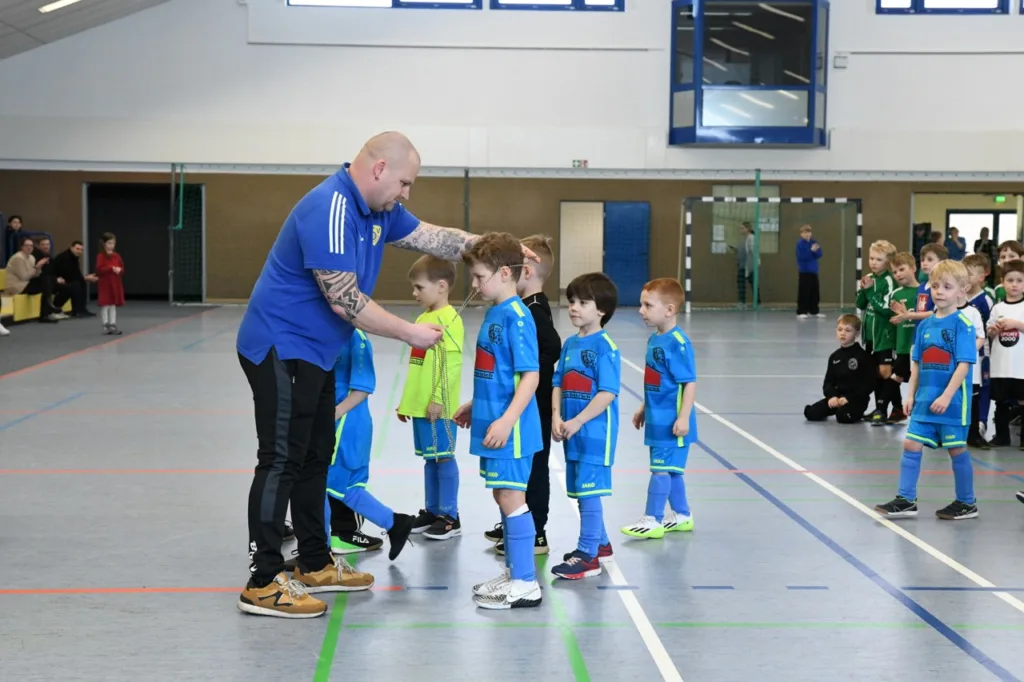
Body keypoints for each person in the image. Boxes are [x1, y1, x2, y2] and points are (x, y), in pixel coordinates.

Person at [234, 132, 538, 619]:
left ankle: (313, 561)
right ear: (378, 170)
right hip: (279, 346)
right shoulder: (330, 207)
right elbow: (344, 299)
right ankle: (264, 580)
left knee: (316, 456)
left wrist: (494, 247)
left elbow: (431, 237)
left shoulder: (379, 210)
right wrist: (407, 333)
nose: (407, 193)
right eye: (404, 182)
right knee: (280, 459)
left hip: (316, 352)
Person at [453, 232, 544, 610]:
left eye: (479, 277)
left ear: (505, 273)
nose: (474, 285)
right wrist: (478, 404)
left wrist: (506, 420)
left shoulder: (518, 318)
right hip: (492, 419)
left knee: (511, 496)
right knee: (501, 495)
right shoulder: (495, 313)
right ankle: (514, 571)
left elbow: (530, 376)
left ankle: (526, 583)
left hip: (513, 430)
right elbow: (499, 372)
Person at [875, 260, 978, 521]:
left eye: (947, 286)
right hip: (924, 399)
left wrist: (946, 395)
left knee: (956, 448)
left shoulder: (962, 324)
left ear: (961, 291)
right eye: (935, 286)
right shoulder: (924, 326)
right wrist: (910, 394)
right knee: (911, 443)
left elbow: (964, 365)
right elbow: (917, 363)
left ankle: (967, 503)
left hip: (952, 401)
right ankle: (906, 499)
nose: (939, 291)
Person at [315, 330, 414, 573]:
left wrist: (333, 415)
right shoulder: (337, 334)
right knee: (349, 490)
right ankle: (395, 522)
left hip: (346, 425)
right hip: (352, 425)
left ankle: (320, 554)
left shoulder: (355, 338)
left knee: (322, 486)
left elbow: (362, 388)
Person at [488, 234, 561, 557]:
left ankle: (536, 533)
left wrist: (529, 379)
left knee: (535, 466)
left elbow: (552, 347)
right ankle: (519, 520)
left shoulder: (533, 310)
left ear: (526, 272)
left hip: (537, 403)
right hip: (530, 399)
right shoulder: (524, 308)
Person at [550, 272, 620, 579]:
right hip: (571, 432)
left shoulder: (606, 347)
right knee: (579, 490)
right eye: (571, 302)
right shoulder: (569, 345)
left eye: (583, 302)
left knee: (589, 492)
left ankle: (588, 554)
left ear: (601, 309)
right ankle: (601, 543)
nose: (574, 307)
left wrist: (578, 420)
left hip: (594, 433)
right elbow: (557, 383)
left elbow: (607, 392)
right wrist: (556, 416)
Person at [622, 278, 696, 539]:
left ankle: (652, 518)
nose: (641, 310)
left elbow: (688, 383)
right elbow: (656, 378)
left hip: (672, 421)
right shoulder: (655, 339)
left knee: (660, 468)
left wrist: (684, 416)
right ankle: (682, 514)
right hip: (656, 416)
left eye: (647, 305)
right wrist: (644, 406)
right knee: (672, 470)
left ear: (669, 310)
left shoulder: (678, 342)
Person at [399, 255, 465, 541]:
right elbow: (417, 366)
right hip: (421, 407)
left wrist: (438, 398)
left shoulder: (449, 319)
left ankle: (450, 516)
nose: (414, 293)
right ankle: (432, 510)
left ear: (441, 286)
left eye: (419, 287)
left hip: (440, 407)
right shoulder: (423, 318)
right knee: (430, 459)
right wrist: (407, 401)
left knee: (444, 458)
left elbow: (450, 365)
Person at [803, 314, 877, 424]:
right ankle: (835, 407)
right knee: (810, 413)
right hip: (837, 398)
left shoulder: (863, 356)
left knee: (843, 416)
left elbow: (869, 384)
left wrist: (849, 398)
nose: (843, 333)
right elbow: (828, 382)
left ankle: (850, 411)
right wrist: (832, 396)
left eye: (848, 330)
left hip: (856, 400)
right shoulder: (834, 357)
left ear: (856, 334)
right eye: (840, 329)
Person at [856, 240, 897, 424]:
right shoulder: (869, 277)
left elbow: (887, 309)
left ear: (888, 262)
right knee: (874, 373)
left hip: (885, 335)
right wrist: (863, 290)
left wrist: (871, 291)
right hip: (870, 337)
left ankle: (883, 409)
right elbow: (860, 305)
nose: (873, 262)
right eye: (871, 258)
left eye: (878, 259)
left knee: (885, 371)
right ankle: (882, 407)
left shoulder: (889, 281)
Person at [987, 260, 1024, 448]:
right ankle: (1001, 436)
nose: (1015, 284)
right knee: (1000, 401)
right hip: (1001, 365)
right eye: (1010, 280)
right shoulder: (997, 308)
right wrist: (993, 330)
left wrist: (1017, 325)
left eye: (1019, 280)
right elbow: (989, 332)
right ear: (1003, 282)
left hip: (1020, 366)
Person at [3, 235, 58, 323]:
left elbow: (36, 274)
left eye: (31, 246)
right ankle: (47, 310)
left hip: (26, 283)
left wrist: (39, 267)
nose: (29, 248)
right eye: (26, 246)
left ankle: (46, 312)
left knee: (47, 280)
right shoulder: (18, 258)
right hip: (17, 286)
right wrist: (37, 266)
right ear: (21, 247)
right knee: (45, 281)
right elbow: (24, 277)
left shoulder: (31, 257)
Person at [51, 240, 97, 318]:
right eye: (77, 249)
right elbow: (69, 275)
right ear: (71, 248)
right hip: (54, 281)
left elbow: (76, 274)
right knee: (75, 285)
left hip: (64, 281)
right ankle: (73, 309)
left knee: (81, 282)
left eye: (81, 250)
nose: (79, 251)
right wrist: (86, 278)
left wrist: (84, 278)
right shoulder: (64, 257)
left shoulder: (74, 258)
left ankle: (81, 309)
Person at [95, 232, 125, 335]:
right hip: (105, 283)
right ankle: (105, 324)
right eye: (109, 243)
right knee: (105, 304)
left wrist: (119, 270)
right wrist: (111, 268)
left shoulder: (116, 256)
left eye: (113, 243)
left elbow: (122, 269)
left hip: (115, 282)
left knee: (113, 304)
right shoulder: (101, 256)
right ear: (104, 244)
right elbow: (99, 270)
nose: (111, 245)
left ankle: (113, 323)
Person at [795, 224, 823, 318]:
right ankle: (801, 311)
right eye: (805, 232)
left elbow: (819, 254)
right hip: (804, 271)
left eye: (809, 232)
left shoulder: (814, 242)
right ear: (801, 234)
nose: (807, 234)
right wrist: (811, 250)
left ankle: (814, 310)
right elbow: (802, 256)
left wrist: (816, 250)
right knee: (804, 291)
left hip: (813, 271)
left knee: (814, 292)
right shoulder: (800, 244)